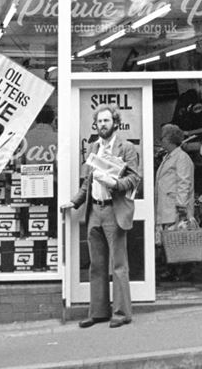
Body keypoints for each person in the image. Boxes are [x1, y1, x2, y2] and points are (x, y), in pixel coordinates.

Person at [61, 106, 140, 329]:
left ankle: (122, 313)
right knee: (96, 265)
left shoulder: (127, 148)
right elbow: (87, 181)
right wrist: (75, 201)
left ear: (115, 122)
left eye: (107, 120)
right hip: (94, 210)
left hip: (114, 210)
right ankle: (98, 312)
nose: (103, 124)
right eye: (99, 121)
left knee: (118, 264)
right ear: (95, 125)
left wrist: (115, 183)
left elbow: (135, 179)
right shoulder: (93, 147)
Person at [154, 124, 195, 281]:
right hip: (167, 205)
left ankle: (180, 271)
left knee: (177, 239)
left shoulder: (181, 158)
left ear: (170, 139)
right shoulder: (169, 156)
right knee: (170, 239)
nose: (161, 140)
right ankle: (173, 270)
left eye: (163, 137)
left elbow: (184, 183)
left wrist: (182, 208)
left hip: (175, 207)